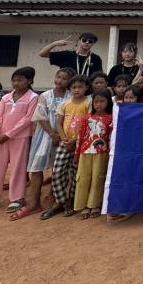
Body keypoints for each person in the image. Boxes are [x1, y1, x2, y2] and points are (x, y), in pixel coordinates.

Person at [14, 67, 75, 221]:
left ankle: (56, 198)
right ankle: (34, 202)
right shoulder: (46, 95)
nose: (60, 81)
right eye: (58, 77)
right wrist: (51, 133)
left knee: (59, 168)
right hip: (45, 135)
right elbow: (41, 116)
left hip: (64, 135)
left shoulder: (71, 96)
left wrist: (60, 135)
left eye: (64, 78)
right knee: (36, 167)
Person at [0, 67, 38, 216]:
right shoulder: (6, 98)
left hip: (19, 138)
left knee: (18, 167)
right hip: (0, 139)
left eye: (20, 80)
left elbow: (27, 120)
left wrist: (9, 134)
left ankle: (17, 198)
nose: (16, 83)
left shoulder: (33, 97)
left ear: (30, 80)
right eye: (14, 80)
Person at [47, 75, 91, 219]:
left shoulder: (89, 103)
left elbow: (90, 124)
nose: (76, 90)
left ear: (86, 88)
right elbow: (59, 123)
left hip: (81, 143)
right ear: (69, 89)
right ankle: (61, 200)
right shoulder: (64, 104)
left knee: (75, 173)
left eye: (80, 87)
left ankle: (71, 201)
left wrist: (76, 140)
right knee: (58, 171)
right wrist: (64, 138)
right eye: (73, 87)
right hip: (64, 143)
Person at [73, 90, 114, 220]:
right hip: (85, 152)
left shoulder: (110, 118)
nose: (99, 104)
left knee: (98, 178)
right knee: (83, 178)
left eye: (102, 101)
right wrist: (77, 154)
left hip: (101, 153)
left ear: (108, 102)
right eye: (96, 101)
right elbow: (80, 137)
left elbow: (110, 138)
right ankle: (83, 205)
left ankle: (94, 204)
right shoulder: (86, 118)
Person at [39, 33, 104, 77]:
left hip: (87, 91)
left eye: (90, 41)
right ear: (79, 41)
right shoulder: (66, 55)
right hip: (67, 91)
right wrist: (54, 44)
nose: (87, 42)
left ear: (93, 44)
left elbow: (98, 76)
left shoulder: (96, 58)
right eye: (84, 40)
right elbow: (42, 54)